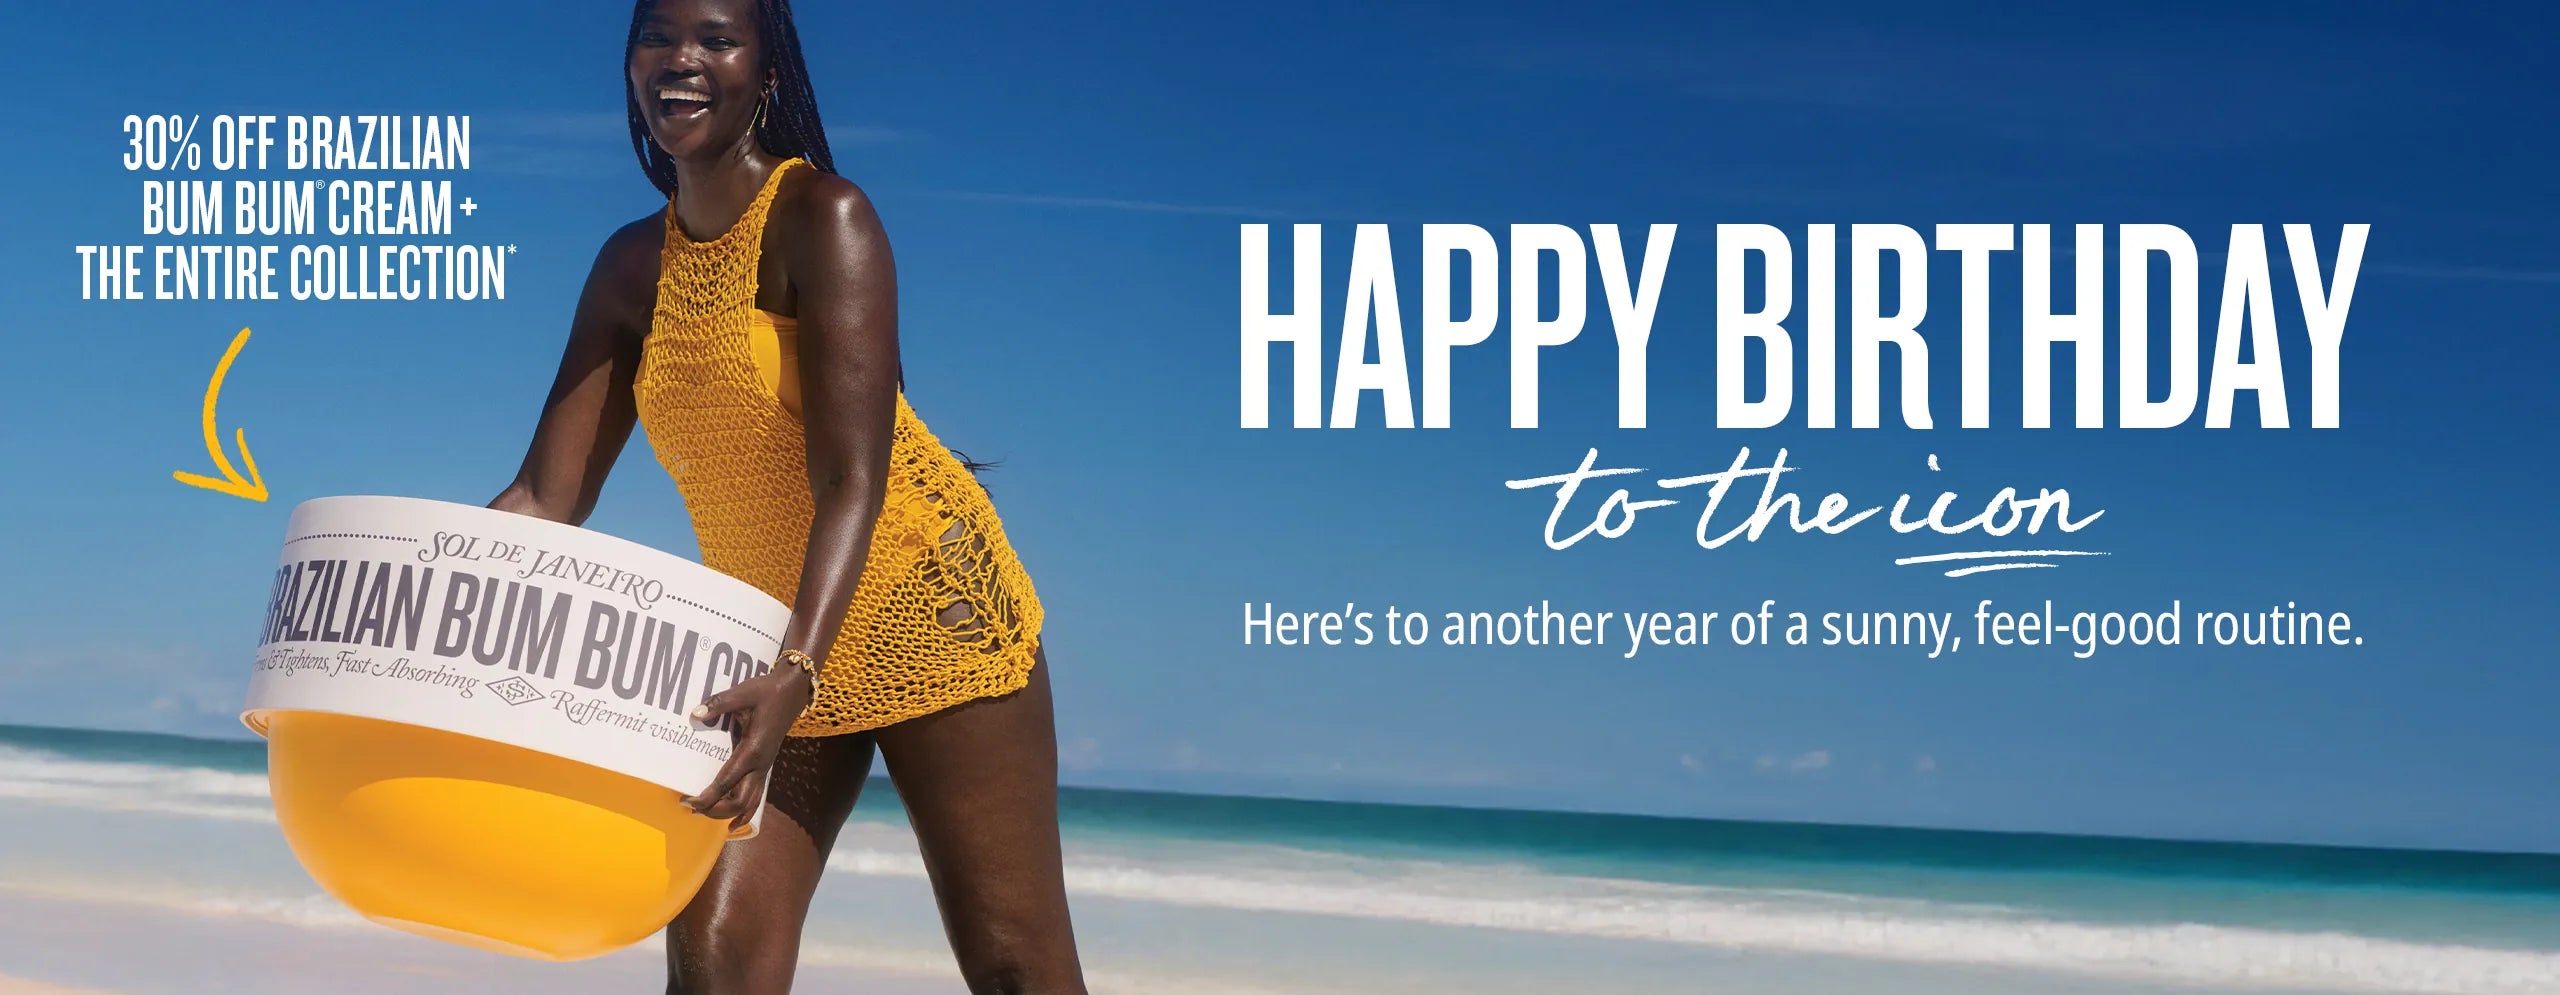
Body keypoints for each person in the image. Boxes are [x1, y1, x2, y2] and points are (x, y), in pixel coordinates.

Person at [483, 1, 1088, 992]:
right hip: (774, 645)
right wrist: (408, 606)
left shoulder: (823, 218)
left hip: (927, 609)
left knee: (1015, 964)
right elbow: (547, 494)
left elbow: (856, 475)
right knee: (716, 964)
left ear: (766, 74)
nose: (682, 60)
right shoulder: (631, 268)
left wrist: (800, 665)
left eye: (717, 39)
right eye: (656, 37)